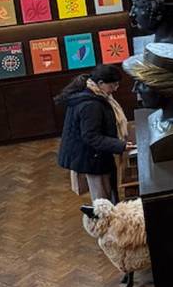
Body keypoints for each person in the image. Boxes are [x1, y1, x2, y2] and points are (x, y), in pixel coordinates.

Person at [56, 64, 133, 203]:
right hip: (92, 157)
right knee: (102, 200)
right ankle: (105, 224)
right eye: (113, 85)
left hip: (98, 154)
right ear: (100, 83)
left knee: (108, 193)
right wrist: (119, 145)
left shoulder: (95, 95)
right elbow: (91, 136)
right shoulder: (90, 105)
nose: (116, 89)